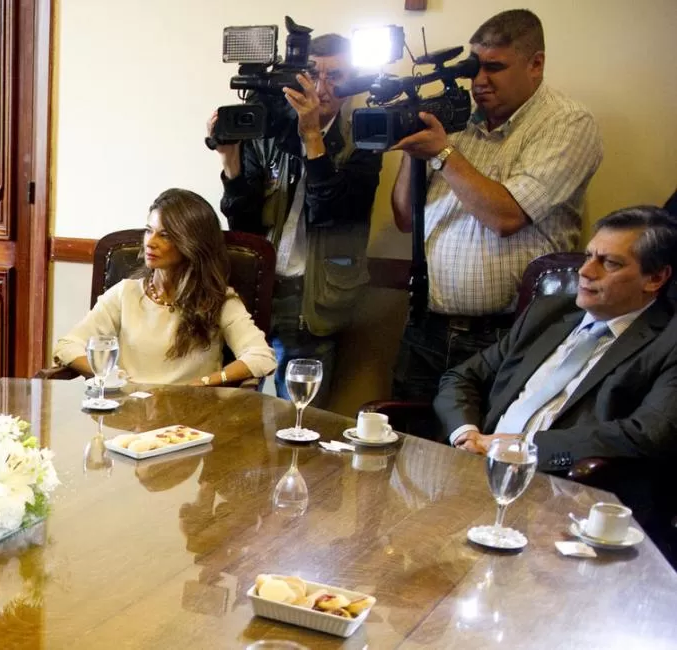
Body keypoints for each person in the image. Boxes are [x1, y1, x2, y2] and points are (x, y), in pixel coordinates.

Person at [391, 9, 603, 404]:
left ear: (535, 64)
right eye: (474, 67)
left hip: (508, 333)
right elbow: (405, 218)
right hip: (427, 324)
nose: (479, 81)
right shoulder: (457, 120)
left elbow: (506, 216)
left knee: (476, 454)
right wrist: (412, 147)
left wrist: (442, 153)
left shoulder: (567, 123)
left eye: (495, 67)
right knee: (408, 448)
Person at [434, 206, 677, 531]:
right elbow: (462, 376)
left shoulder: (669, 340)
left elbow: (648, 434)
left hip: (569, 500)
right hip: (473, 471)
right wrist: (468, 435)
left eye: (610, 263)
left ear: (656, 277)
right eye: (589, 256)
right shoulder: (548, 313)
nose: (586, 271)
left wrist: (524, 449)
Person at [213, 33, 382, 407]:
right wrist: (230, 162)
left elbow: (333, 213)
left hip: (315, 298)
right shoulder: (268, 129)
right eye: (311, 74)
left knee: (303, 421)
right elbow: (242, 222)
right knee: (233, 412)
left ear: (354, 81)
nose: (321, 89)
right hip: (257, 290)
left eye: (335, 77)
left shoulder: (364, 138)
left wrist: (311, 138)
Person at [53, 188, 276, 385]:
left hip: (190, 423)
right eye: (149, 230)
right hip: (130, 417)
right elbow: (68, 346)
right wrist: (112, 375)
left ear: (192, 243)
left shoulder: (219, 300)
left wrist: (208, 382)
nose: (150, 242)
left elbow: (261, 356)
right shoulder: (126, 293)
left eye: (165, 235)